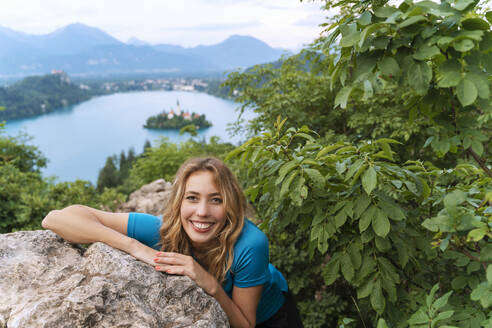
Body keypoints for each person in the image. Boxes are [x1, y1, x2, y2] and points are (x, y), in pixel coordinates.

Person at [42, 157, 303, 328]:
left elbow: (246, 324)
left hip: (270, 316)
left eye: (216, 199)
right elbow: (57, 218)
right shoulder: (160, 230)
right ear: (179, 202)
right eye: (192, 198)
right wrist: (137, 249)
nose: (202, 211)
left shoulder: (250, 243)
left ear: (230, 205)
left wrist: (210, 284)